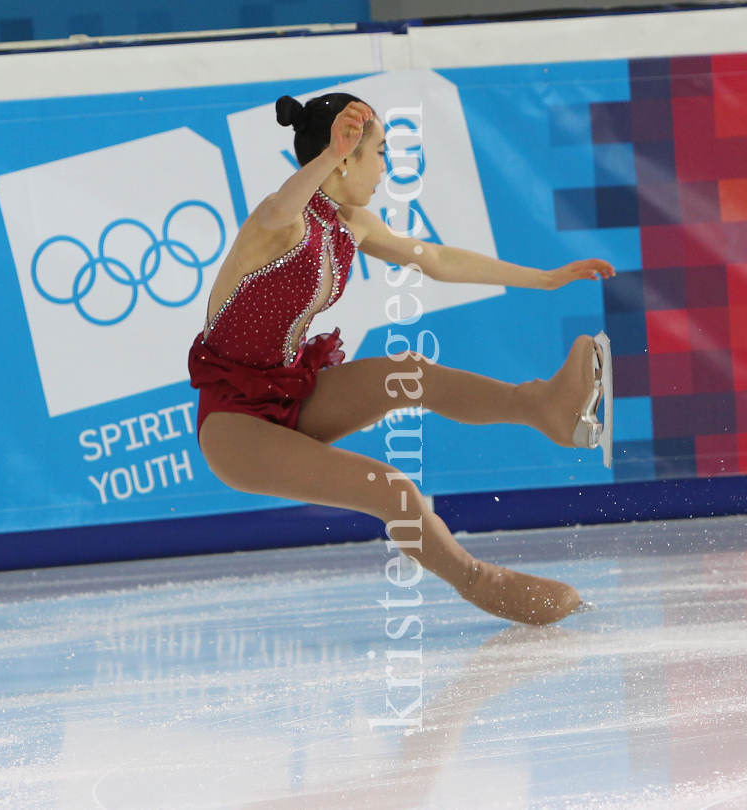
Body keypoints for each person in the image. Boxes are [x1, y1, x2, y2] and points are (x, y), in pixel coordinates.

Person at [188, 92, 616, 626]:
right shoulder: (281, 224)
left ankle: (544, 407)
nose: (386, 166)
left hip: (290, 390)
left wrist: (544, 278)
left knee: (406, 374)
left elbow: (435, 259)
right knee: (392, 489)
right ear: (344, 156)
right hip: (235, 427)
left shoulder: (350, 224)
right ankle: (481, 582)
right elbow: (279, 205)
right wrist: (326, 156)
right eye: (380, 152)